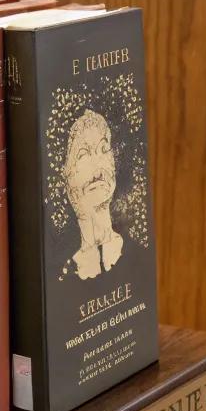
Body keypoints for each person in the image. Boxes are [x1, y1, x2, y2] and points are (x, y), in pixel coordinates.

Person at [61, 108, 124, 281]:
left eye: (104, 148)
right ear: (66, 175)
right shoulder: (66, 275)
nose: (98, 163)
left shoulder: (134, 252)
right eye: (83, 154)